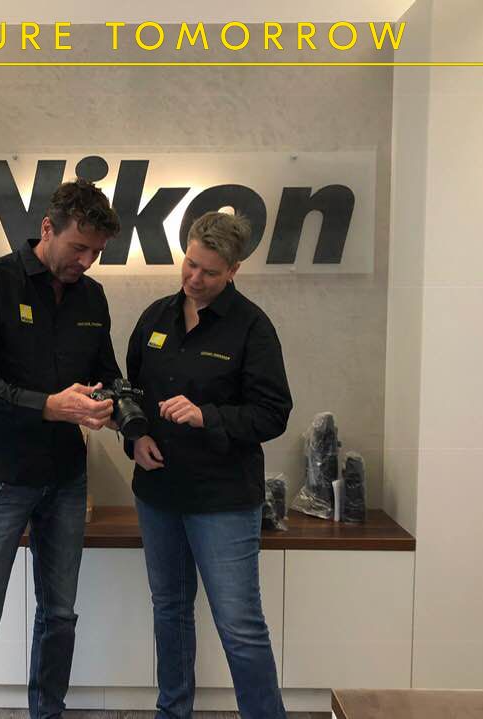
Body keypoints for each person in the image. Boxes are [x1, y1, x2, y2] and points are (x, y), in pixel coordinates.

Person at [0, 179, 122, 719]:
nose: (86, 262)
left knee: (60, 614)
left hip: (66, 477)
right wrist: (50, 405)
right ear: (48, 228)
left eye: (96, 252)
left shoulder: (91, 297)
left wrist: (115, 409)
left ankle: (48, 713)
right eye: (78, 247)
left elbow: (108, 375)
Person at [125, 211, 293, 719]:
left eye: (210, 272)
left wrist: (207, 416)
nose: (195, 278)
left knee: (239, 625)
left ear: (234, 271)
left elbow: (273, 413)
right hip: (159, 494)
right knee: (170, 612)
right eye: (191, 264)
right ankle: (172, 711)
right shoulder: (156, 317)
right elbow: (130, 393)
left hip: (223, 500)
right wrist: (135, 436)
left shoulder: (253, 328)